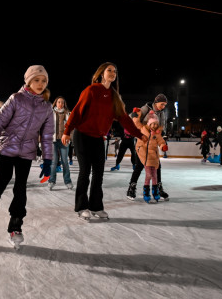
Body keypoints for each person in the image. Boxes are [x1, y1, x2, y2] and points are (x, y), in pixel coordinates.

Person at [0, 65, 54, 248]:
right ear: (28, 81)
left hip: (26, 154)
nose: (40, 84)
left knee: (20, 189)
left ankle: (16, 226)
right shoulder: (16, 99)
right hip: (7, 149)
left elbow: (47, 136)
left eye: (44, 81)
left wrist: (48, 161)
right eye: (36, 80)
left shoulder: (47, 107)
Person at [61, 62, 146, 220]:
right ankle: (81, 206)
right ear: (101, 73)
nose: (113, 73)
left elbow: (124, 118)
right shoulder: (91, 90)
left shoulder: (115, 96)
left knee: (98, 174)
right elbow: (77, 112)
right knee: (85, 171)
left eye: (115, 71)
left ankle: (96, 207)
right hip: (82, 135)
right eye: (109, 70)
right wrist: (67, 131)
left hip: (98, 138)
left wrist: (139, 134)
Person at [126, 93, 169, 201]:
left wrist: (162, 136)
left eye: (165, 105)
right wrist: (134, 115)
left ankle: (158, 188)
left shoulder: (162, 113)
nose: (163, 106)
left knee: (157, 165)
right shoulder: (146, 108)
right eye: (162, 104)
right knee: (139, 166)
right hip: (143, 141)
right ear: (156, 102)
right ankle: (131, 188)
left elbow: (162, 126)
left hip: (153, 142)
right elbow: (134, 117)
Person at [136, 112, 168, 203]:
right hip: (145, 156)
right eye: (153, 124)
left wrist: (163, 146)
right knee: (148, 175)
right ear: (149, 124)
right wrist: (137, 115)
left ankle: (155, 192)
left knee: (155, 176)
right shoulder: (143, 130)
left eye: (156, 124)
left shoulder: (157, 134)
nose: (154, 126)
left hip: (154, 157)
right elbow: (136, 124)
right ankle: (146, 193)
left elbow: (161, 142)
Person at [48, 96, 73, 190]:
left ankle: (68, 181)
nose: (60, 104)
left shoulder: (68, 114)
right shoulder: (50, 113)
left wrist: (70, 138)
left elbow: (71, 128)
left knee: (65, 162)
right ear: (56, 103)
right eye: (59, 102)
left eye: (62, 102)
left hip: (64, 141)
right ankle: (51, 181)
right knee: (53, 162)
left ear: (64, 104)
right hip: (52, 140)